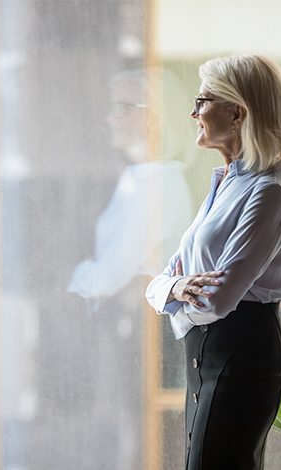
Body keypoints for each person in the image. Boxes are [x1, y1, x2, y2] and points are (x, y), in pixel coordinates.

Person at [145, 55, 281, 469]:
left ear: (237, 114)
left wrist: (174, 295)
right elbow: (161, 280)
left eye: (203, 100)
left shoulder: (268, 191)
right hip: (204, 353)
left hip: (241, 354)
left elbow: (217, 299)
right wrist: (176, 288)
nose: (193, 112)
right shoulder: (224, 183)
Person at [68, 69, 192, 312]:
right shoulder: (136, 180)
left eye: (124, 107)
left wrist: (75, 274)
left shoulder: (159, 185)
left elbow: (106, 281)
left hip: (144, 333)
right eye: (113, 107)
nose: (111, 118)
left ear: (155, 115)